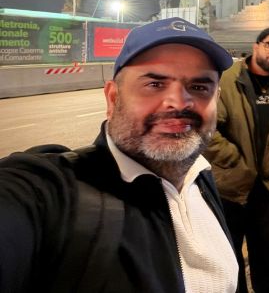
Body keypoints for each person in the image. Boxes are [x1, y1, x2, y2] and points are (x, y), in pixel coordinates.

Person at [0, 17, 239, 292]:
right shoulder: (50, 192)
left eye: (199, 87)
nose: (179, 102)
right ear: (113, 99)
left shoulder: (201, 174)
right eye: (155, 84)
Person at [205, 27, 269, 293]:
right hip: (231, 189)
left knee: (265, 258)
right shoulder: (227, 80)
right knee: (232, 259)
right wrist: (234, 159)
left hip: (265, 187)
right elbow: (207, 130)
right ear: (256, 46)